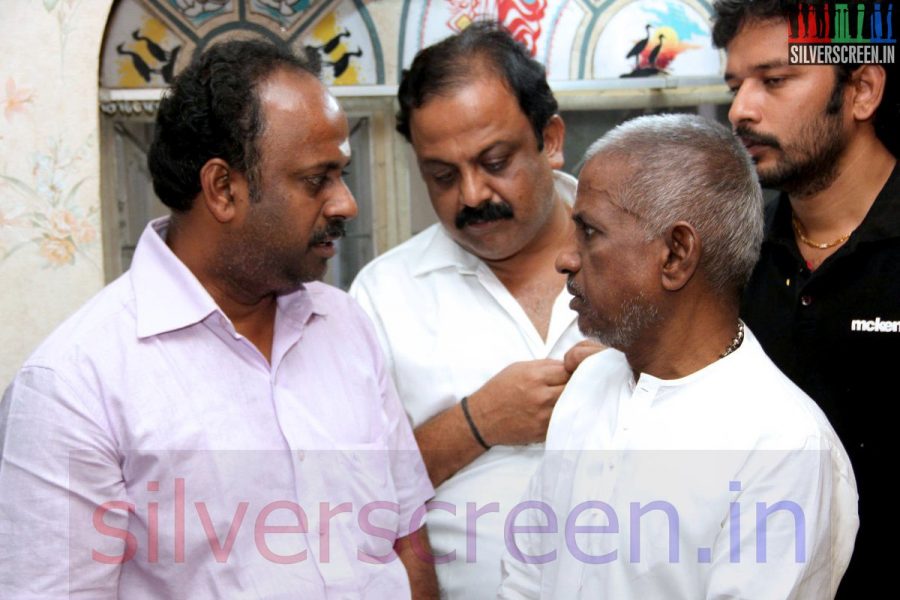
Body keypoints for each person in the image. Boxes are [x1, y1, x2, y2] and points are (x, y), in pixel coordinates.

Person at [0, 40, 437, 599]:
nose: (345, 203)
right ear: (223, 189)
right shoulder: (74, 387)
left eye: (342, 174)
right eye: (316, 179)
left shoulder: (344, 324)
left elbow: (406, 538)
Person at [498, 114, 858, 598]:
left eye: (588, 232)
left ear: (675, 255)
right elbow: (526, 575)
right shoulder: (589, 383)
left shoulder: (782, 446)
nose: (565, 258)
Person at [349, 21, 599, 599]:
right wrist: (477, 423)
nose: (470, 196)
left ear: (551, 138)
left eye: (494, 160)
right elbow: (355, 495)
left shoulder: (644, 261)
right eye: (441, 176)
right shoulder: (384, 296)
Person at [712, 1, 899, 593]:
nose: (741, 109)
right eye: (735, 85)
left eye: (774, 80)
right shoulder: (729, 258)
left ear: (862, 89)